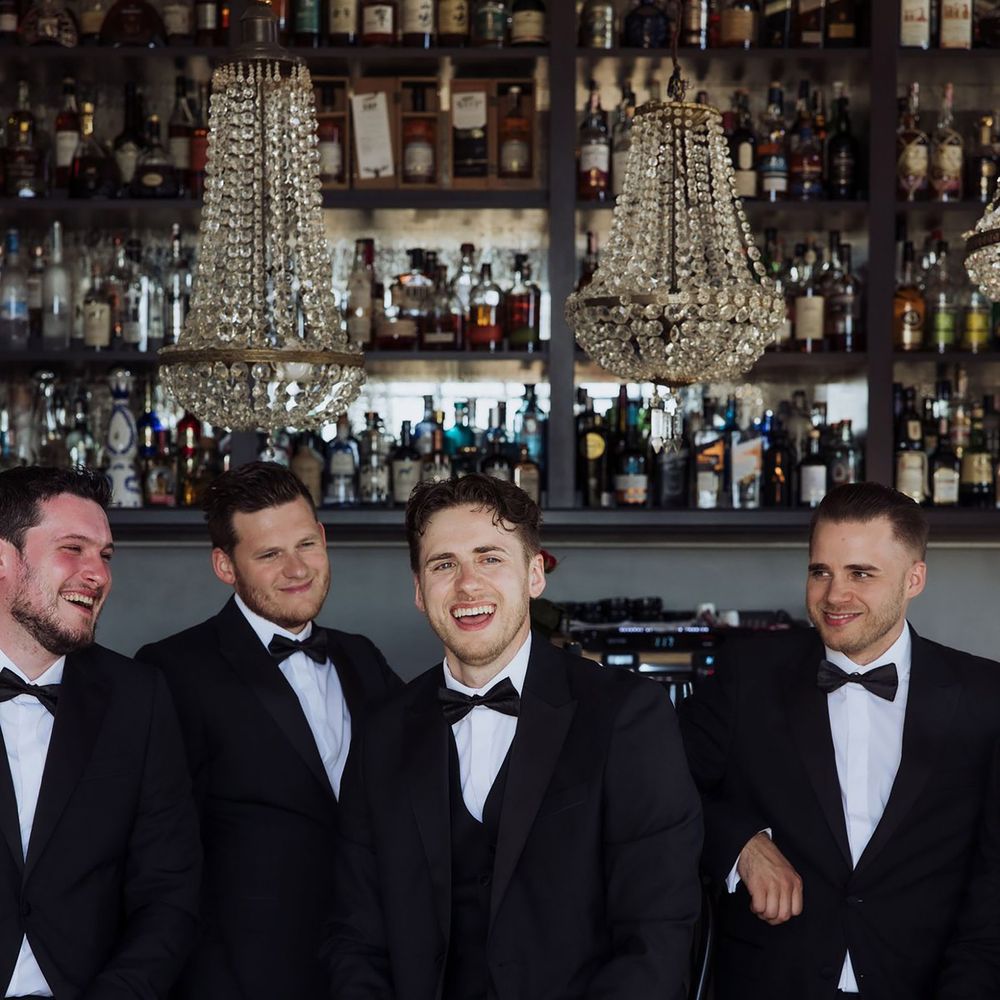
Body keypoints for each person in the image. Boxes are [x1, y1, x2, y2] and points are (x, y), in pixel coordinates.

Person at [323, 474, 703, 1000]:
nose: (467, 584)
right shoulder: (382, 731)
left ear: (533, 574)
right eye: (444, 564)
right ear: (418, 589)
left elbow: (656, 933)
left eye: (490, 558)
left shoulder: (626, 716)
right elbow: (355, 933)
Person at [679, 481, 1000, 1000]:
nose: (834, 596)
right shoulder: (746, 676)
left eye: (861, 574)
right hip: (769, 983)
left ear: (914, 578)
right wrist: (740, 843)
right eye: (820, 571)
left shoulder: (986, 696)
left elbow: (994, 888)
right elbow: (658, 784)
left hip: (927, 984)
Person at [136, 462, 400, 1000]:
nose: (297, 568)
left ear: (324, 537)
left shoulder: (363, 657)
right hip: (240, 976)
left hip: (368, 970)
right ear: (225, 565)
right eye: (269, 554)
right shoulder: (172, 670)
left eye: (306, 543)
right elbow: (156, 856)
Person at [0, 465, 200, 999]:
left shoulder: (140, 697)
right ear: (3, 559)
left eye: (105, 556)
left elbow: (170, 891)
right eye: (74, 548)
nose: (99, 574)